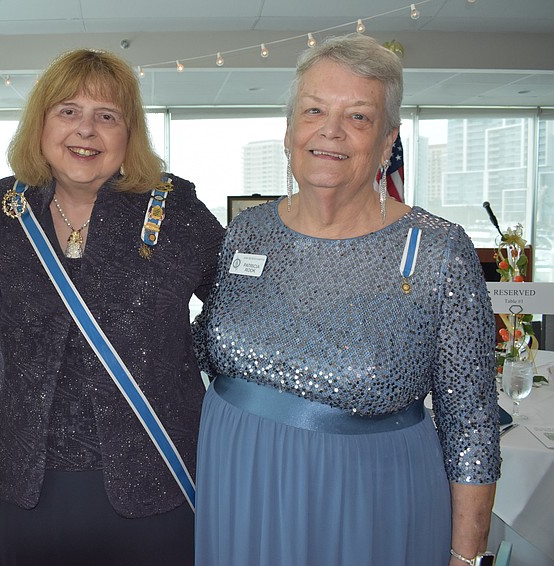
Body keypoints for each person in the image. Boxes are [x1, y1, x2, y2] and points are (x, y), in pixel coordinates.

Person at [193, 34, 500, 566]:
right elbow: (203, 344)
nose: (330, 131)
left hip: (366, 504)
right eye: (314, 110)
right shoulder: (247, 233)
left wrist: (467, 556)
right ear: (289, 131)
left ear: (387, 143)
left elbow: (470, 420)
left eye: (358, 117)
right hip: (236, 486)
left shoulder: (438, 252)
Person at [0, 48, 224, 565]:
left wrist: (177, 356)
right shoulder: (0, 211)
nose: (85, 131)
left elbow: (239, 312)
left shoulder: (176, 211)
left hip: (157, 477)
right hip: (23, 480)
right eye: (68, 111)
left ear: (128, 134)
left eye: (106, 117)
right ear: (40, 124)